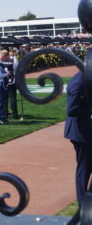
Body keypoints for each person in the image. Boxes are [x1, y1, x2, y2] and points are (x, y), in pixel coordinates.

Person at [64, 71, 92, 207]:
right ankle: (83, 204)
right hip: (80, 132)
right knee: (84, 168)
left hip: (86, 129)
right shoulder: (78, 82)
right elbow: (72, 109)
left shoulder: (85, 77)